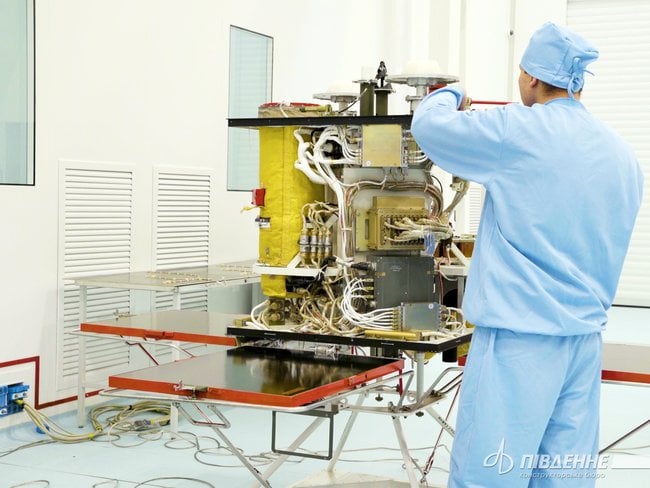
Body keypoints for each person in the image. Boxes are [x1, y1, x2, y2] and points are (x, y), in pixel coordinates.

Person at [411, 22, 644, 487]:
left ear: (533, 77)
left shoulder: (517, 131)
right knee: (564, 475)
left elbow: (429, 128)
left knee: (490, 473)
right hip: (582, 342)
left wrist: (447, 93)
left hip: (519, 343)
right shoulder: (622, 156)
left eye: (521, 71)